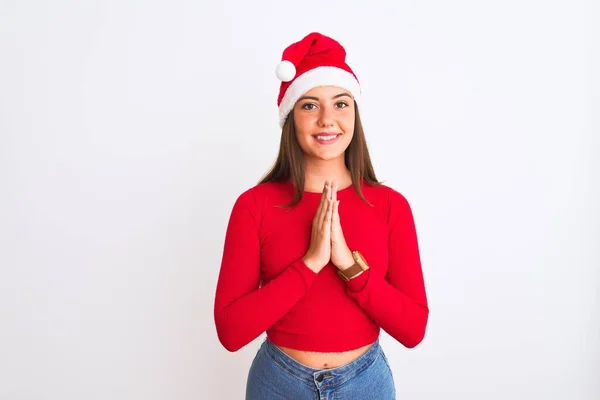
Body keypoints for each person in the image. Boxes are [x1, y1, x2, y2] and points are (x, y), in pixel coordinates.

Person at [213, 32, 429, 400]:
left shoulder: (391, 206)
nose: (327, 119)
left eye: (341, 104)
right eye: (310, 105)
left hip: (366, 384)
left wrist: (349, 265)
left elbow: (413, 329)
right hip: (278, 384)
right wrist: (310, 263)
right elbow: (231, 332)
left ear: (355, 115)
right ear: (291, 119)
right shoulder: (255, 205)